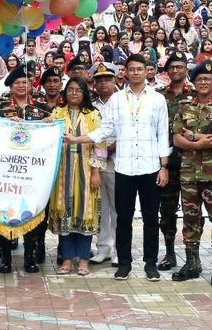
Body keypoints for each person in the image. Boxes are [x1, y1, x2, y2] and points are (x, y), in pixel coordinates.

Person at [75, 54, 171, 282]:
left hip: (150, 166)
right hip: (124, 167)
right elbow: (105, 130)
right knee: (123, 218)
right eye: (132, 69)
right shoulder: (117, 99)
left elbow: (163, 133)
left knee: (150, 218)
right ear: (124, 72)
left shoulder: (157, 99)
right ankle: (124, 263)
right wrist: (79, 139)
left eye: (140, 69)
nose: (136, 73)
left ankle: (150, 263)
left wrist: (164, 167)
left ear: (147, 71)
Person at [170, 60, 212, 285]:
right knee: (190, 219)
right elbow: (176, 138)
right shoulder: (184, 107)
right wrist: (199, 142)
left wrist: (193, 137)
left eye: (208, 79)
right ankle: (192, 264)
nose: (204, 82)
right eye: (199, 79)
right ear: (193, 83)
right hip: (189, 175)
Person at [0, 63, 54, 274]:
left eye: (26, 82)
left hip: (34, 171)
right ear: (10, 85)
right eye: (17, 82)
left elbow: (52, 131)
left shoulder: (42, 106)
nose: (21, 86)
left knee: (33, 212)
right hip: (6, 169)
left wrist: (47, 124)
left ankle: (30, 256)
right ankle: (6, 258)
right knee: (5, 211)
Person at [50, 77, 103, 276]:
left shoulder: (93, 115)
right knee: (65, 215)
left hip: (86, 170)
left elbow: (101, 144)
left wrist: (96, 171)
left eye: (78, 90)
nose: (74, 93)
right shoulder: (57, 113)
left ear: (84, 93)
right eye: (70, 89)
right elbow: (45, 133)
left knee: (85, 214)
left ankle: (83, 261)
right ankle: (66, 259)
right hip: (62, 172)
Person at [155, 52, 191, 270]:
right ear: (167, 72)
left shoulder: (197, 94)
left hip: (191, 161)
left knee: (191, 211)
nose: (176, 70)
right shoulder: (159, 97)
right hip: (166, 161)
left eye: (180, 66)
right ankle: (169, 253)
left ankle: (191, 255)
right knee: (167, 211)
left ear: (186, 69)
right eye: (172, 67)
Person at [89, 63, 119, 265]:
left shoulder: (122, 102)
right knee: (101, 207)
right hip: (96, 162)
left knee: (118, 207)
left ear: (115, 80)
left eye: (107, 79)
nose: (103, 83)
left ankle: (119, 249)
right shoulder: (92, 106)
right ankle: (103, 248)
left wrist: (113, 146)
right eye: (99, 80)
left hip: (118, 159)